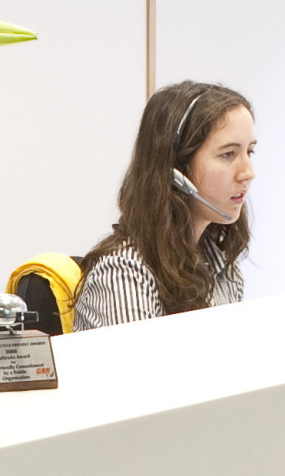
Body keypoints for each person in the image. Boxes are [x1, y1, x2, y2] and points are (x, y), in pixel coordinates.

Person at [69, 80, 255, 327]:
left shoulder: (221, 267)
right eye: (228, 154)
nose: (248, 172)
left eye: (249, 152)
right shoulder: (124, 274)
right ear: (175, 170)